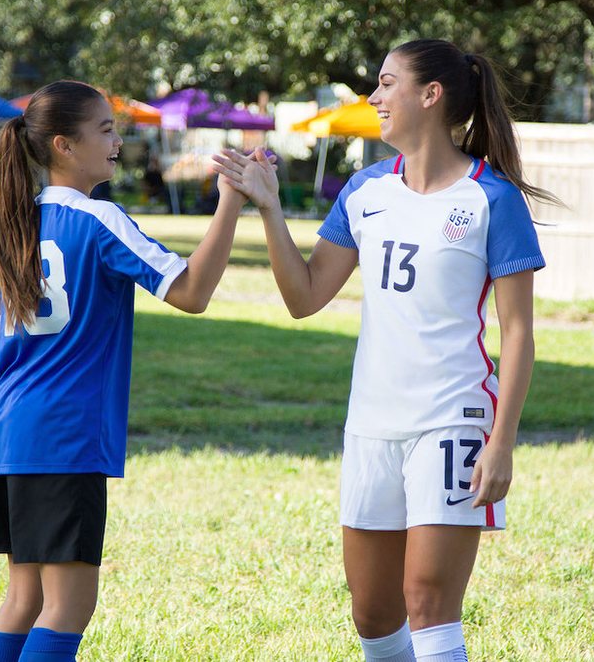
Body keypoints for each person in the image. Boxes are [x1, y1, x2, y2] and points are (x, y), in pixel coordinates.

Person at [213, 39, 559, 662]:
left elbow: (518, 334)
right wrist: (268, 209)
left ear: (431, 95)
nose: (373, 97)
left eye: (385, 83)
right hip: (371, 425)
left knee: (428, 602)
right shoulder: (365, 190)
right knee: (373, 616)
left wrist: (502, 443)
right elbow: (305, 296)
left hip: (453, 422)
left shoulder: (492, 199)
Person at [0, 79, 254, 662]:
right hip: (67, 439)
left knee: (23, 599)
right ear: (63, 145)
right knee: (67, 607)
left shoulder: (19, 223)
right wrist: (231, 203)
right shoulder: (98, 218)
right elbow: (191, 292)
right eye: (105, 129)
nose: (117, 139)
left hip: (12, 438)